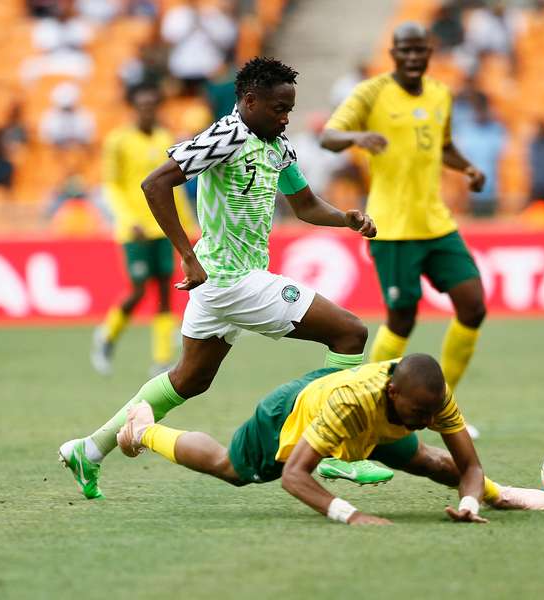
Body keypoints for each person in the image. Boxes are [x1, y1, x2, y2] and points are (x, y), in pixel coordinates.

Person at [59, 57, 386, 500]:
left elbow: (305, 205)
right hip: (230, 279)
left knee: (189, 380)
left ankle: (90, 449)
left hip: (224, 284)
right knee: (350, 332)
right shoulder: (226, 135)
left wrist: (344, 219)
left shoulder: (276, 143)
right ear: (249, 101)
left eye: (289, 108)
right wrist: (187, 255)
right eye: (278, 108)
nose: (285, 116)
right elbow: (155, 183)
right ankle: (325, 444)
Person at [116, 354, 544, 524]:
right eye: (417, 414)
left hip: (364, 413)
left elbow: (469, 465)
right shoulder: (352, 404)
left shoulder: (429, 395)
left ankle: (501, 498)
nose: (426, 420)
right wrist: (352, 516)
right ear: (393, 393)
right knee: (233, 470)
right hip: (293, 410)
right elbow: (294, 477)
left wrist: (470, 502)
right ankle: (145, 430)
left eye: (431, 412)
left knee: (431, 461)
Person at [320, 23, 488, 438]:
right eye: (405, 51)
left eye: (420, 50)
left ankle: (441, 403)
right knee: (402, 317)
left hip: (435, 222)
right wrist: (358, 135)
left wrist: (466, 167)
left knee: (473, 305)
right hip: (391, 227)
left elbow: (442, 146)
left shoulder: (439, 94)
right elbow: (328, 136)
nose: (413, 57)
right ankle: (377, 407)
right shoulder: (371, 93)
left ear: (428, 52)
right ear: (393, 53)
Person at [90, 85, 197, 376]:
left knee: (166, 289)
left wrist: (187, 223)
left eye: (153, 105)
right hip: (133, 228)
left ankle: (162, 359)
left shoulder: (164, 137)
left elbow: (173, 187)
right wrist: (125, 219)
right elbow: (110, 185)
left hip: (161, 226)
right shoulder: (118, 140)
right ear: (134, 108)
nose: (148, 110)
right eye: (143, 105)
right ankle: (106, 337)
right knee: (137, 291)